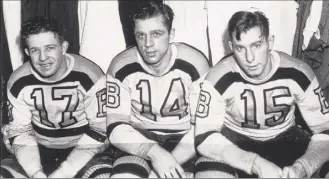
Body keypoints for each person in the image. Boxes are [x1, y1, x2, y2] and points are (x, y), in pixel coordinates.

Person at [194, 10, 329, 178]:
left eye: (256, 45)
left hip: (285, 137)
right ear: (231, 47)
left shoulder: (298, 73)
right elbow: (204, 138)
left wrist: (302, 167)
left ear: (270, 42)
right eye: (240, 48)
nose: (250, 58)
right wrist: (254, 163)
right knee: (209, 174)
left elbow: (325, 131)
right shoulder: (218, 76)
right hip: (235, 141)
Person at [106, 2, 210, 178]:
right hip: (139, 138)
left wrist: (167, 164)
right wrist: (154, 153)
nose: (148, 44)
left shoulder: (195, 63)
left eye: (156, 34)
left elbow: (202, 127)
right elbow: (116, 127)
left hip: (184, 139)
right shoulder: (120, 65)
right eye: (141, 35)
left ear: (171, 35)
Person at [0, 16, 112, 178]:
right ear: (27, 52)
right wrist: (35, 172)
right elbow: (20, 132)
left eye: (49, 48)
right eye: (35, 50)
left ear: (64, 47)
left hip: (84, 149)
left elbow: (100, 130)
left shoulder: (90, 75)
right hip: (39, 148)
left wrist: (64, 173)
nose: (43, 57)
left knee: (103, 176)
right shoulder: (18, 81)